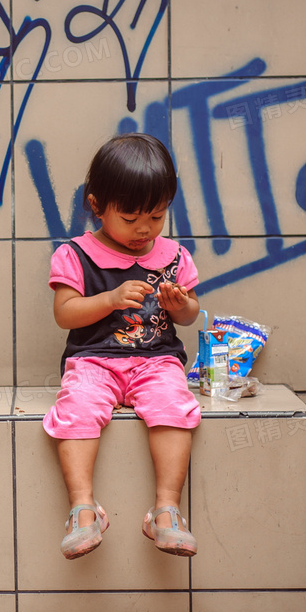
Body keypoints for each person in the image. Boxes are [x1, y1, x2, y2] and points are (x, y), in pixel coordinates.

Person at [44, 133, 202, 560]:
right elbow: (65, 313)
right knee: (76, 408)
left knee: (174, 405)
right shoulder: (75, 255)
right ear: (97, 206)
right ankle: (83, 509)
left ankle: (166, 511)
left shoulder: (174, 256)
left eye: (156, 215)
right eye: (130, 217)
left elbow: (189, 317)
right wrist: (110, 300)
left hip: (157, 361)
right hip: (94, 361)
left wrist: (182, 305)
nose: (144, 228)